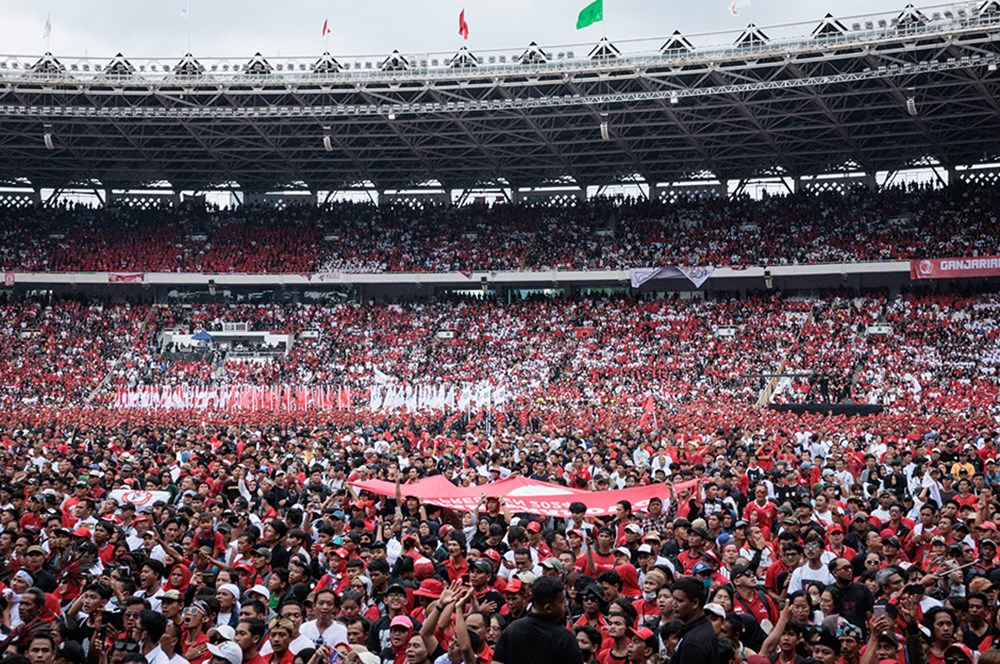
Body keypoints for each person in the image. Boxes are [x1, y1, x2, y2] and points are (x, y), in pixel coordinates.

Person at [493, 576, 583, 664]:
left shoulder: (511, 630)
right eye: (562, 601)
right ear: (548, 608)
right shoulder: (565, 639)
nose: (566, 604)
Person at [668, 576, 718, 664]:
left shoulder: (693, 643)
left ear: (695, 603)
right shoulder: (702, 627)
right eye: (673, 599)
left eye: (679, 601)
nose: (673, 604)